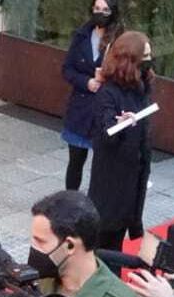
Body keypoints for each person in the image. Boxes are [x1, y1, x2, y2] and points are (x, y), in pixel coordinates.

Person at [88, 31, 155, 252]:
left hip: (132, 179)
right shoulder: (108, 93)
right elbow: (106, 132)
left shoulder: (140, 88)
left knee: (119, 238)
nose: (149, 61)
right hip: (111, 184)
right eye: (145, 56)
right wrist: (121, 125)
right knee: (104, 243)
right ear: (131, 60)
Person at [59, 0, 117, 191]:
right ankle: (70, 201)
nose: (100, 13)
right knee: (75, 161)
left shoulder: (119, 41)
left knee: (102, 166)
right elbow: (67, 69)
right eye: (97, 9)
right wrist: (86, 82)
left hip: (104, 111)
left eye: (105, 10)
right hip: (81, 109)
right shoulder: (82, 36)